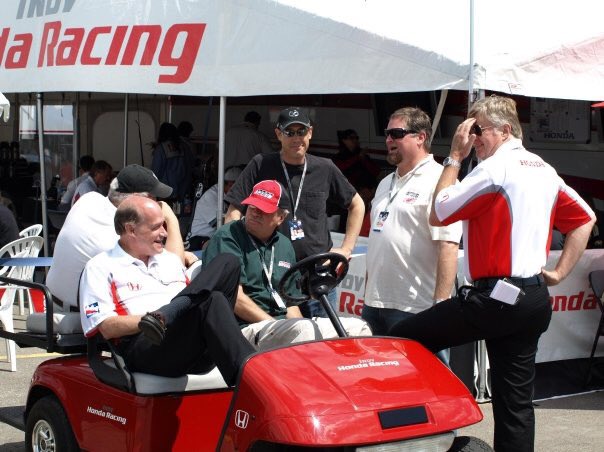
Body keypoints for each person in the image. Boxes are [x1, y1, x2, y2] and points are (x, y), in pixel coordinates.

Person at [388, 95, 596, 452]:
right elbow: (586, 218)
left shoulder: (495, 168)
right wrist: (559, 273)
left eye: (478, 129)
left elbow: (438, 212)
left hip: (496, 299)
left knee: (402, 338)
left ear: (504, 130)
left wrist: (454, 155)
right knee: (514, 404)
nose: (472, 136)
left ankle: (426, 428)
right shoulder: (543, 169)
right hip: (530, 299)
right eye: (469, 130)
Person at [79, 196, 255, 385]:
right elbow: (106, 327)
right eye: (156, 227)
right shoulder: (100, 266)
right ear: (131, 229)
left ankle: (166, 314)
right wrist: (147, 320)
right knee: (213, 300)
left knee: (228, 261)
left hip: (190, 345)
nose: (164, 233)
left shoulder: (169, 260)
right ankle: (254, 380)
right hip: (146, 347)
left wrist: (169, 315)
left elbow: (196, 296)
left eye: (164, 225)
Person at [225, 107, 365, 318]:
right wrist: (237, 252)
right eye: (290, 132)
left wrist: (346, 248)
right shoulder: (261, 164)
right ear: (278, 134)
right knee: (283, 340)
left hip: (319, 273)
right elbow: (234, 210)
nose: (296, 138)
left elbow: (357, 204)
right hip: (274, 274)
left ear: (310, 133)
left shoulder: (324, 167)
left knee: (323, 341)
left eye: (301, 131)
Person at [205, 180, 371, 349]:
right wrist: (276, 325)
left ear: (281, 218)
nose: (255, 213)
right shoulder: (227, 237)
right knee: (304, 333)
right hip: (243, 328)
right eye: (252, 206)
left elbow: (290, 304)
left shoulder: (284, 245)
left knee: (359, 329)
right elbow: (235, 298)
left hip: (280, 328)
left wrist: (296, 325)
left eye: (263, 210)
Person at [362, 108, 461, 366]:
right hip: (375, 304)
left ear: (421, 137)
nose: (388, 140)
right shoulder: (385, 182)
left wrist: (441, 306)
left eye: (396, 134)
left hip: (416, 307)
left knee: (430, 384)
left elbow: (449, 246)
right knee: (383, 385)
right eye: (387, 134)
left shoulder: (440, 180)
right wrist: (367, 294)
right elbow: (378, 241)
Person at [46, 164, 185, 312]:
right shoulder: (122, 234)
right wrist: (170, 218)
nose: (157, 202)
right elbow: (176, 272)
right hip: (84, 317)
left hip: (53, 303)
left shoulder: (89, 200)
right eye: (153, 198)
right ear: (137, 200)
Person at [187, 166, 242, 250]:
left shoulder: (232, 195)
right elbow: (222, 223)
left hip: (215, 237)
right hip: (198, 239)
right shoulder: (211, 196)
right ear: (230, 184)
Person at [151, 122, 194, 201]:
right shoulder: (184, 147)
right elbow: (190, 168)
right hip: (183, 194)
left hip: (165, 194)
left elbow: (155, 173)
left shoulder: (161, 149)